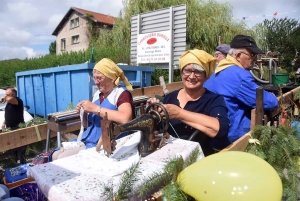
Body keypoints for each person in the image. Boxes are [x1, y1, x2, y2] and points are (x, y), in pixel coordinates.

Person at [148, 49, 230, 156]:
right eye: (187, 70)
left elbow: (221, 130)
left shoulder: (213, 99)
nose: (191, 76)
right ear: (181, 72)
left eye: (198, 71)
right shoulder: (169, 97)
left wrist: (179, 113)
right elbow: (159, 130)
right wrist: (155, 112)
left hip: (198, 158)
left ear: (205, 75)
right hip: (169, 155)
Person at [52, 58, 135, 160]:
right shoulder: (97, 95)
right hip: (87, 139)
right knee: (55, 155)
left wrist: (95, 108)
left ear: (111, 78)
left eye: (99, 78)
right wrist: (84, 113)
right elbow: (89, 126)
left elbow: (126, 118)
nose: (96, 82)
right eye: (94, 78)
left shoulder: (121, 94)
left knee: (62, 158)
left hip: (104, 143)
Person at [205, 35, 279, 143]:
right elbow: (268, 102)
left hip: (211, 133)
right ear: (238, 55)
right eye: (252, 55)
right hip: (231, 139)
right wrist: (273, 97)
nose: (255, 59)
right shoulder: (240, 76)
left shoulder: (216, 68)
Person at [0, 88, 26, 164]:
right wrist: (4, 122)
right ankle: (15, 162)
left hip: (17, 127)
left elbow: (11, 100)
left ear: (14, 95)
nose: (5, 96)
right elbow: (9, 113)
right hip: (10, 127)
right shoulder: (10, 102)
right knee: (13, 147)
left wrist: (4, 98)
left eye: (7, 94)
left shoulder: (17, 100)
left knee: (20, 147)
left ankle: (21, 162)